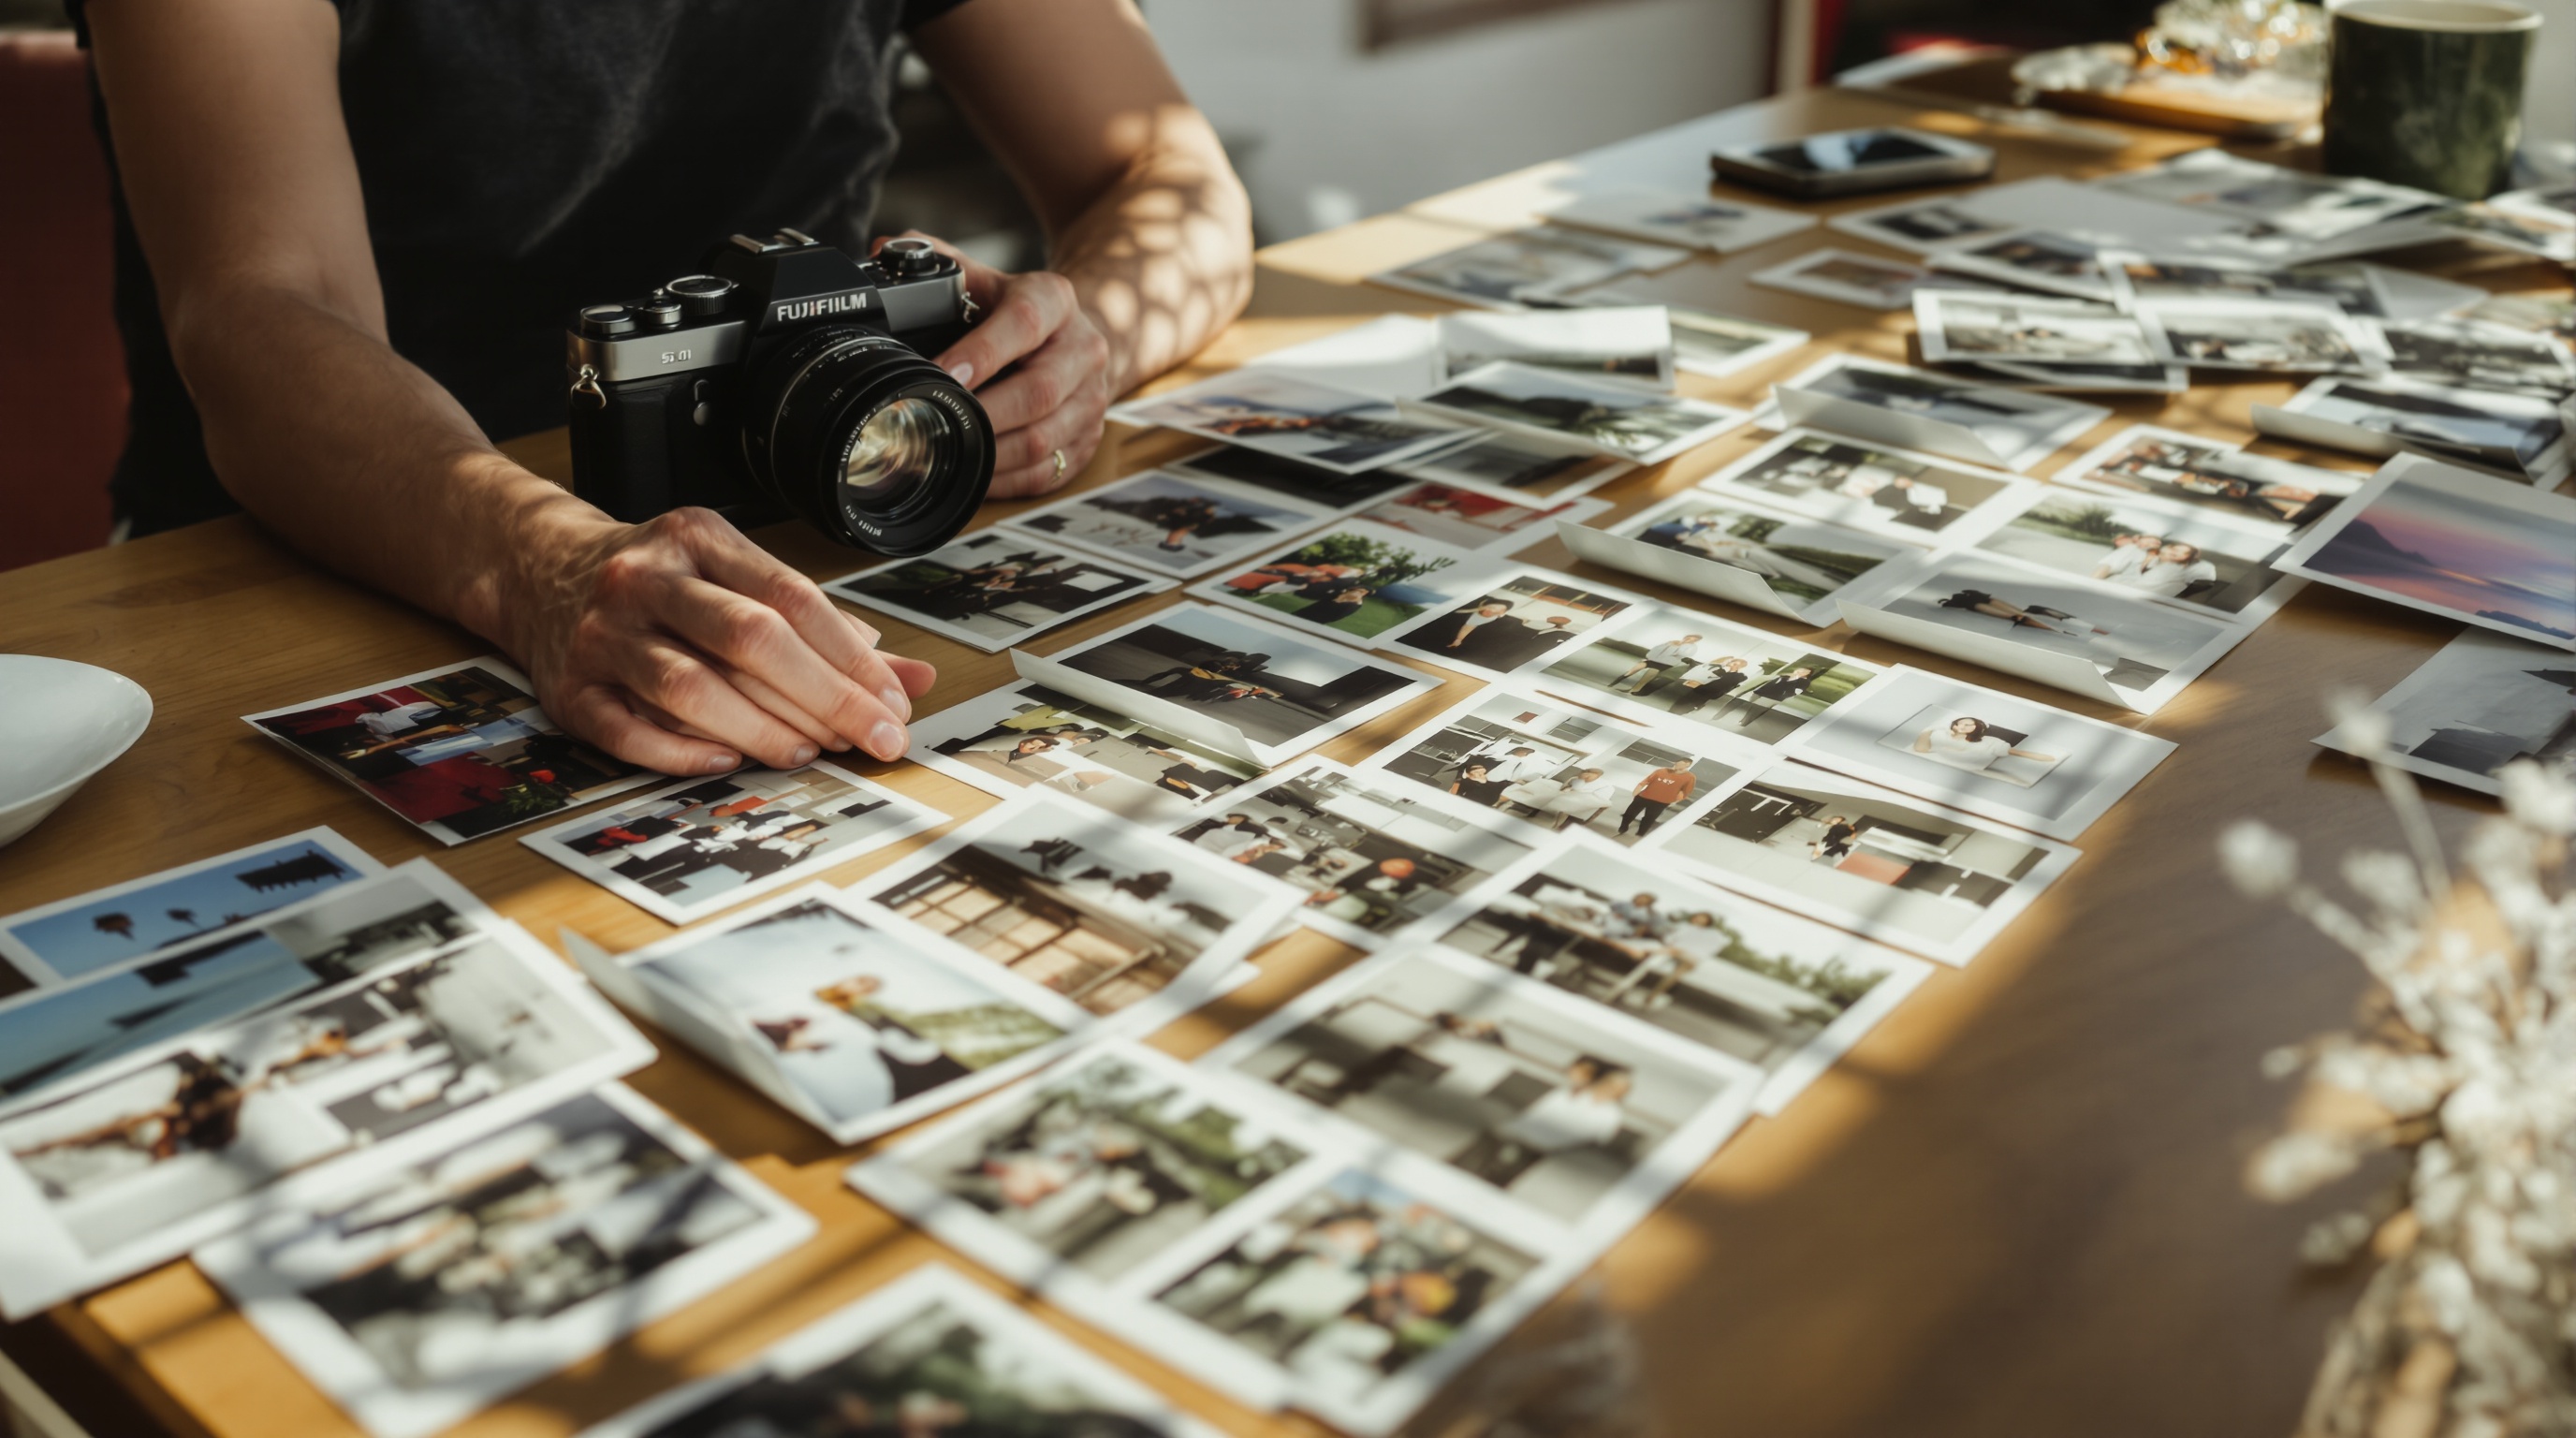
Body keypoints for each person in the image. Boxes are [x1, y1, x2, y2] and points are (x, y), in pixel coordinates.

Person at [81, 0, 1254, 778]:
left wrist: (1077, 334)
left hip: (818, 528)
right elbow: (264, 313)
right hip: (318, 571)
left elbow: (1171, 177)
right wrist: (541, 564)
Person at [1452, 1058, 1632, 1188]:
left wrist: (1558, 1146)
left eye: (1617, 1089)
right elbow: (1534, 1114)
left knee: (1498, 1174)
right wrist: (1511, 1127)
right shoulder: (1570, 1094)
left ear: (1621, 1093)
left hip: (1545, 1146)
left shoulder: (1612, 1115)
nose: (1610, 1090)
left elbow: (1598, 1141)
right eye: (1609, 1084)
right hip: (1518, 1132)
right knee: (1474, 1155)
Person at [1911, 715, 2060, 778]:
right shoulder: (1939, 735)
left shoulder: (1990, 742)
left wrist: (2052, 758)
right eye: (1960, 723)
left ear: (1977, 728)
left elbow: (2018, 753)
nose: (1962, 726)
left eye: (1968, 724)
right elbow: (1920, 750)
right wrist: (1928, 730)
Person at [2109, 540, 2218, 599]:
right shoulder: (2146, 558)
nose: (2176, 552)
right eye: (2175, 549)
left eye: (2184, 553)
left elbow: (2207, 579)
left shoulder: (2182, 572)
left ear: (2188, 558)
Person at [1617, 765, 1698, 837]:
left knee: (1649, 818)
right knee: (1629, 813)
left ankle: (1640, 833)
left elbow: (1685, 791)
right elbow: (1646, 781)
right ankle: (1623, 827)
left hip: (1661, 802)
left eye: (1682, 764)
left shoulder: (1690, 777)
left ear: (1687, 766)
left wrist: (1674, 801)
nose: (1677, 766)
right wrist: (1636, 792)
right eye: (1677, 763)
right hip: (1644, 796)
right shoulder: (1661, 771)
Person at [1612, 635, 1701, 695]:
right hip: (1653, 659)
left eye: (1692, 639)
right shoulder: (1673, 641)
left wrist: (1676, 647)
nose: (1688, 640)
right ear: (1685, 637)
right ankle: (1613, 684)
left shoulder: (1692, 647)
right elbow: (1657, 649)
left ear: (1695, 641)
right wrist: (1649, 657)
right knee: (1634, 669)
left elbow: (1682, 655)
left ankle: (1633, 690)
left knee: (1649, 675)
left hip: (1666, 663)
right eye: (1688, 638)